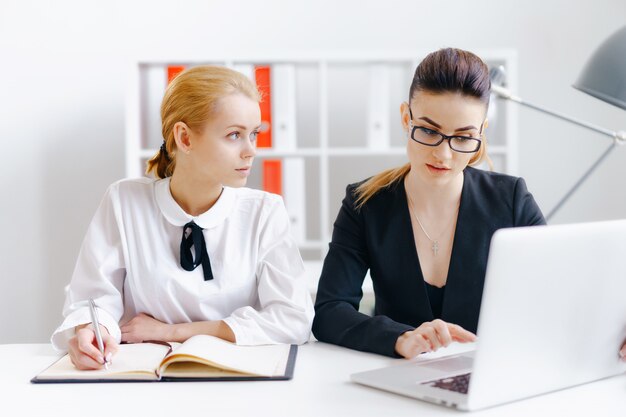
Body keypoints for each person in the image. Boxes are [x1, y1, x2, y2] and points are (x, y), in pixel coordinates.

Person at [51, 66, 314, 370]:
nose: (250, 150)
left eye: (253, 134)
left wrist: (173, 332)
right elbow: (95, 301)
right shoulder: (124, 202)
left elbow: (294, 320)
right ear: (185, 138)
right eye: (234, 135)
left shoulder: (264, 212)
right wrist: (91, 333)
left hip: (237, 383)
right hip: (142, 382)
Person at [312, 48, 546, 359]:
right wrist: (400, 337)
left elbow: (559, 289)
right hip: (397, 379)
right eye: (429, 131)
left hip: (489, 375)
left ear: (481, 132)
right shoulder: (364, 204)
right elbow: (329, 311)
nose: (443, 155)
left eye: (462, 137)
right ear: (406, 118)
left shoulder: (512, 199)